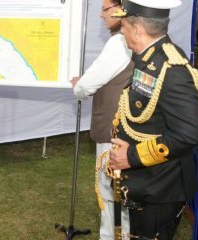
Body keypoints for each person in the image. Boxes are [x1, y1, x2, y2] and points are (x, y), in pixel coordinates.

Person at [109, 0, 198, 239]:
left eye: (125, 26)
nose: (122, 30)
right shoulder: (151, 57)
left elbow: (189, 133)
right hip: (146, 182)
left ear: (139, 29)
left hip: (161, 189)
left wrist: (130, 157)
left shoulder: (171, 69)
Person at [70, 0, 133, 238]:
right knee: (121, 194)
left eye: (105, 9)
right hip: (128, 130)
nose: (101, 15)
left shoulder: (118, 42)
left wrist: (79, 85)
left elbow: (87, 84)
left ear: (120, 10)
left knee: (110, 192)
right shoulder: (134, 41)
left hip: (113, 132)